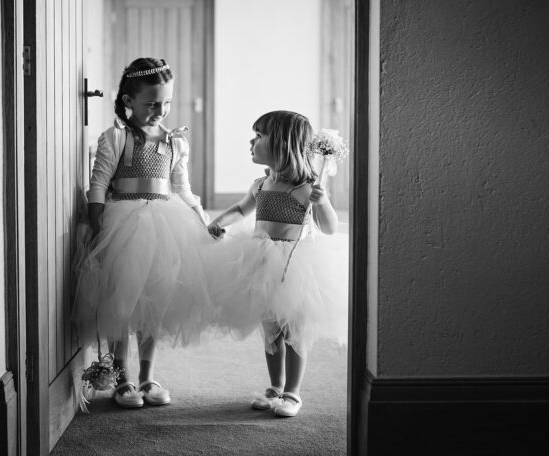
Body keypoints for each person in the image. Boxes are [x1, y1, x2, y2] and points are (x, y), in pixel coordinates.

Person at [73, 57, 212, 409]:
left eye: (166, 103)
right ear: (127, 101)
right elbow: (100, 182)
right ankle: (122, 376)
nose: (160, 111)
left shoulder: (175, 143)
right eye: (152, 104)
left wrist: (200, 217)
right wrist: (96, 224)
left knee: (156, 301)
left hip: (166, 227)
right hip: (126, 227)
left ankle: (148, 375)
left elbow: (182, 188)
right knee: (125, 301)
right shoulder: (116, 138)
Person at [206, 110, 348, 418]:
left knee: (294, 329)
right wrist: (221, 222)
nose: (251, 142)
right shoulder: (261, 185)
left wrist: (321, 201)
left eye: (259, 137)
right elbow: (240, 208)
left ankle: (292, 392)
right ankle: (274, 386)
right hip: (260, 261)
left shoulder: (305, 187)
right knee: (269, 328)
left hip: (294, 265)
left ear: (282, 145)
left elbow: (329, 227)